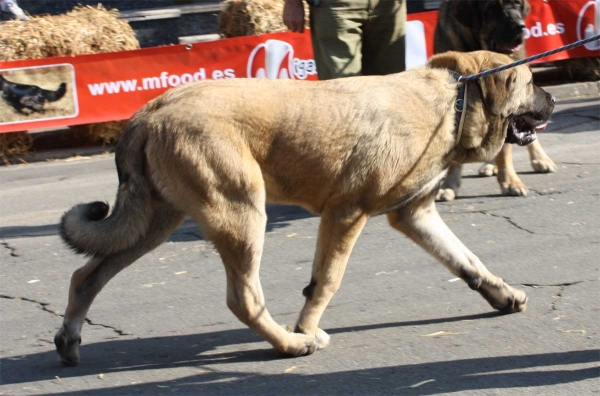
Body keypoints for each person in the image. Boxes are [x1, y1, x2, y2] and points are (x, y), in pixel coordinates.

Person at [283, 0, 406, 80]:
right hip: (338, 6)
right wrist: (292, 2)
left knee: (391, 85)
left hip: (389, 6)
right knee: (343, 91)